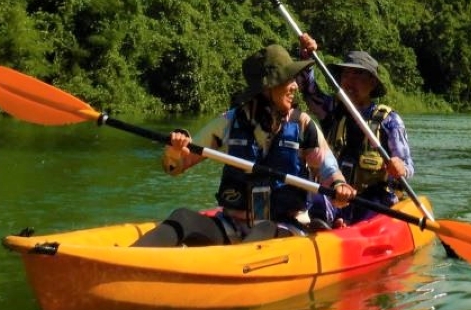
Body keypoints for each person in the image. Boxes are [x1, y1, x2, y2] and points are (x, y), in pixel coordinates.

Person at [133, 43, 356, 247]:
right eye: (287, 80)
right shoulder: (230, 121)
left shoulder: (303, 125)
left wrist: (339, 186)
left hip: (286, 228)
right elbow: (177, 166)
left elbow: (328, 168)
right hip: (233, 225)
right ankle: (132, 261)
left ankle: (225, 270)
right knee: (182, 216)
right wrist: (174, 152)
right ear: (267, 89)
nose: (295, 87)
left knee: (264, 227)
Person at [297, 34, 415, 225]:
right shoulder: (332, 110)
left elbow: (408, 166)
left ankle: (347, 226)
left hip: (372, 199)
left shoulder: (389, 121)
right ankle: (329, 226)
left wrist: (400, 168)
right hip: (337, 194)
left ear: (372, 83)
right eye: (346, 74)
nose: (349, 81)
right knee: (317, 200)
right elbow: (309, 91)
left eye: (358, 75)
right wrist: (307, 56)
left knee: (370, 207)